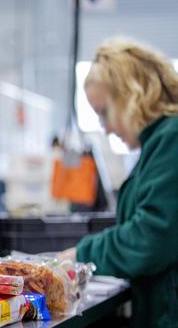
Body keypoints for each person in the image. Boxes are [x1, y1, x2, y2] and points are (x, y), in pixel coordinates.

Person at [60, 37, 178, 327]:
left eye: (104, 112)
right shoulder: (157, 144)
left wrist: (82, 254)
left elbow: (150, 238)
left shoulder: (172, 139)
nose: (107, 128)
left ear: (132, 94)